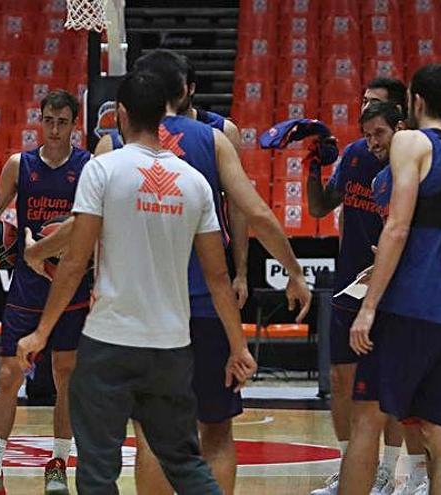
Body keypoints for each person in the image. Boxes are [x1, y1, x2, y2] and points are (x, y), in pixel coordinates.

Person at [80, 49, 309, 495]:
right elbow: (256, 213)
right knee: (217, 432)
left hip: (143, 314)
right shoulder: (214, 138)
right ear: (185, 91)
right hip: (205, 305)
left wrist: (87, 277)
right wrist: (293, 271)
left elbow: (89, 231)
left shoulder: (113, 145)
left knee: (150, 435)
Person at [16, 69, 256, 494]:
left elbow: (73, 264)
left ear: (121, 114)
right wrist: (238, 346)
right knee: (183, 460)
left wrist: (41, 331)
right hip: (170, 345)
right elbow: (219, 279)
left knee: (97, 466)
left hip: (111, 339)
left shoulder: (103, 169)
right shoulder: (195, 181)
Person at [339, 64, 441, 495]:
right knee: (440, 432)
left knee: (366, 419)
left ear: (415, 101)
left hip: (406, 306)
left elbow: (396, 227)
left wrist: (370, 305)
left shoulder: (411, 142)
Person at [0, 89, 90, 495]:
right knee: (8, 374)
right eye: (48, 121)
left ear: (75, 125)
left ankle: (57, 464)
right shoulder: (21, 165)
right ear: (40, 120)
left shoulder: (89, 167)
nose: (54, 130)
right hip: (26, 285)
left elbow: (93, 228)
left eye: (63, 123)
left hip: (73, 282)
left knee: (65, 375)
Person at [306, 79, 409, 495]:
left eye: (375, 105)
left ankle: (387, 471)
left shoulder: (409, 162)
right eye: (363, 102)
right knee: (341, 378)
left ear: (397, 116)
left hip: (394, 286)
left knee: (393, 382)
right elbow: (318, 207)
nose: (364, 108)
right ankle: (349, 466)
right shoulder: (353, 155)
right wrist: (312, 165)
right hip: (350, 282)